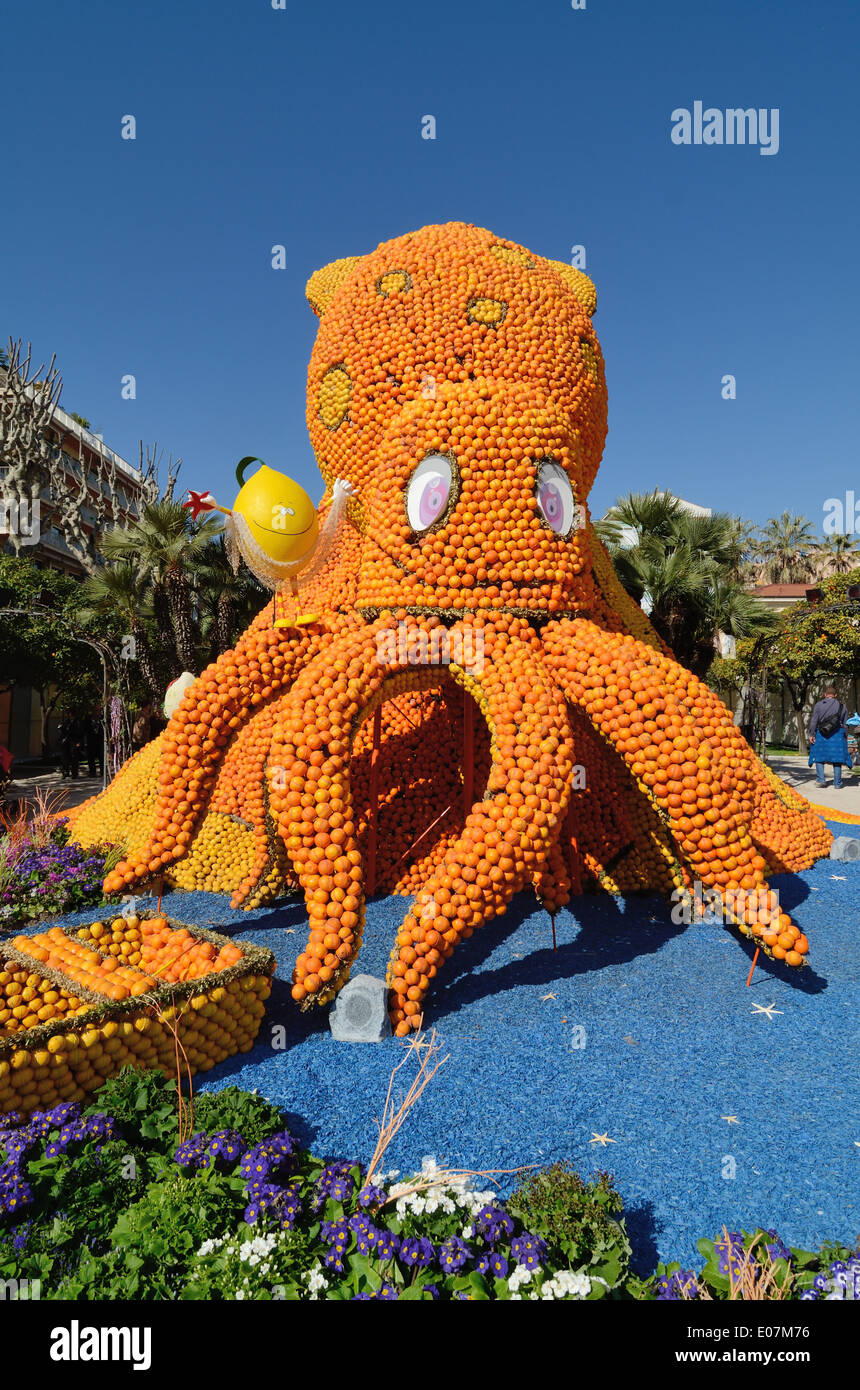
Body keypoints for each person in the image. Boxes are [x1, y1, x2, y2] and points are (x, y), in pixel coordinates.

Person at [808, 686, 851, 789]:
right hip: (837, 735)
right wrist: (846, 735)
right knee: (837, 759)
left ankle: (821, 780)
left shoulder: (819, 705)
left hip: (822, 734)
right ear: (835, 695)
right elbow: (846, 724)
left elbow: (814, 721)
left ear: (825, 695)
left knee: (819, 757)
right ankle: (837, 783)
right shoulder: (843, 707)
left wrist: (812, 734)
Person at [58, 712, 84, 779]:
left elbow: (80, 733)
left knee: (74, 758)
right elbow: (62, 732)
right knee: (64, 758)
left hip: (73, 741)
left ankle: (74, 773)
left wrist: (79, 742)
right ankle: (65, 772)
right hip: (66, 742)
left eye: (70, 714)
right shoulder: (66, 722)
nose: (69, 715)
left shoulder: (78, 722)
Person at [85, 709, 104, 778]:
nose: (97, 713)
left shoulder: (102, 719)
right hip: (91, 742)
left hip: (100, 742)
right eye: (95, 711)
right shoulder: (88, 720)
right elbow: (85, 731)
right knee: (91, 758)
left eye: (98, 711)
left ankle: (102, 772)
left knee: (101, 758)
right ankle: (92, 772)